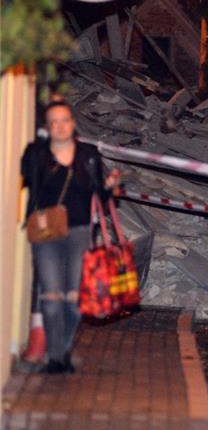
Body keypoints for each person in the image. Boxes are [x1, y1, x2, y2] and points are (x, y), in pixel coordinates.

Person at [21, 100, 120, 374]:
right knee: (52, 296)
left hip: (79, 231)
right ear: (47, 127)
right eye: (53, 122)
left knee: (74, 298)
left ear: (72, 124)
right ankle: (56, 358)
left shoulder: (87, 155)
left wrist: (109, 187)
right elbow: (26, 183)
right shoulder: (37, 154)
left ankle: (61, 351)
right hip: (46, 230)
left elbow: (99, 194)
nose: (59, 127)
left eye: (64, 120)